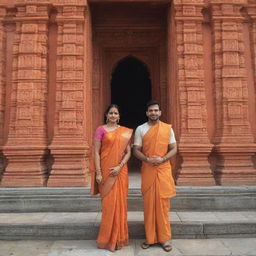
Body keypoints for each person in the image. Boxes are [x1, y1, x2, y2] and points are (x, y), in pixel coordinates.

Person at [133, 100, 177, 252]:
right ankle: (150, 238)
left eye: (156, 110)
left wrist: (163, 159)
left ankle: (164, 239)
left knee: (163, 206)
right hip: (148, 169)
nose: (153, 113)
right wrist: (147, 159)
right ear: (146, 113)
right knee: (149, 206)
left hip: (163, 169)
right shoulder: (140, 129)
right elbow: (136, 150)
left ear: (160, 112)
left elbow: (174, 148)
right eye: (150, 110)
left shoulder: (167, 129)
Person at [90, 104, 133, 252]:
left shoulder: (124, 132)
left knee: (120, 205)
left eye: (116, 113)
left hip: (119, 171)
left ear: (119, 116)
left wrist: (120, 166)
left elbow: (128, 152)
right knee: (108, 206)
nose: (113, 115)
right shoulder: (100, 130)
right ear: (106, 115)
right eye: (111, 113)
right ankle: (106, 239)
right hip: (106, 171)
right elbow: (96, 152)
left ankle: (118, 239)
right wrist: (99, 172)